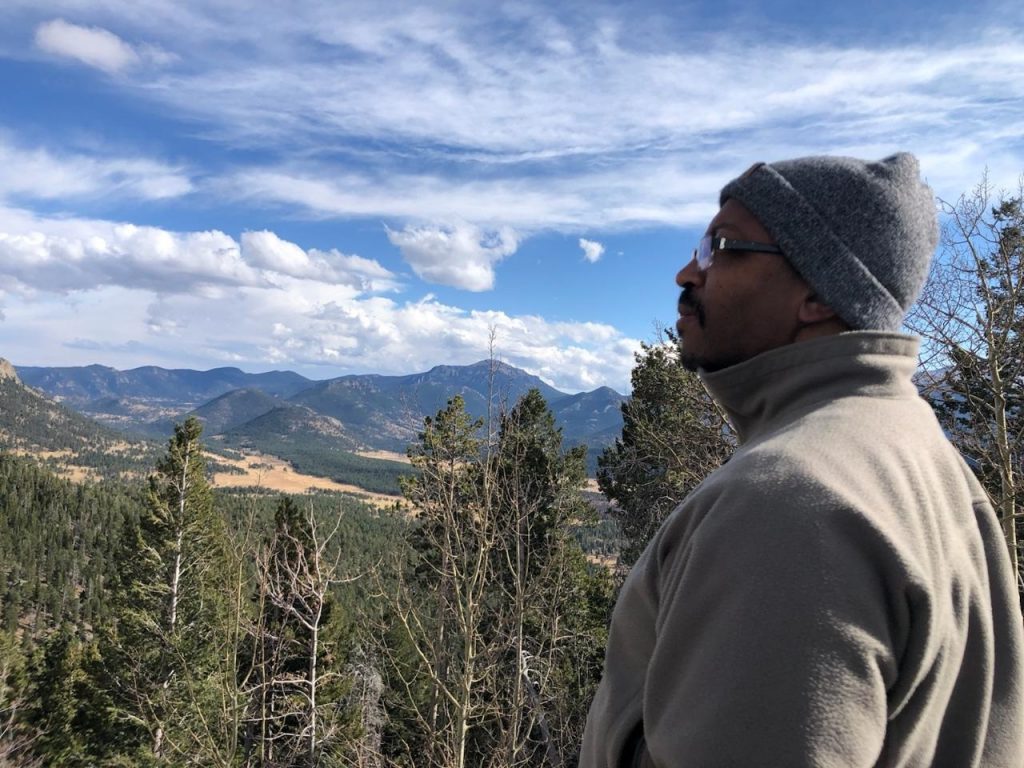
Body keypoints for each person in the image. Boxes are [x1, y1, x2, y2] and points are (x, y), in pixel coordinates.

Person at [580, 153, 1024, 767]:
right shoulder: (922, 453)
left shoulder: (786, 504)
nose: (687, 272)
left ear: (819, 290)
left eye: (721, 247)